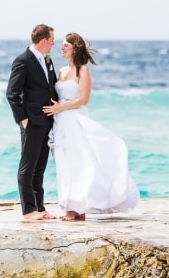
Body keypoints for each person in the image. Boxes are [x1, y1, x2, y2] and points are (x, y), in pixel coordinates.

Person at [43, 32, 139, 221]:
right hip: (60, 123)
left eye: (65, 45)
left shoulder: (83, 70)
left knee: (80, 163)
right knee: (63, 164)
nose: (62, 48)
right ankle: (70, 206)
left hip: (75, 120)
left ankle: (78, 207)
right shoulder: (61, 71)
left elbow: (84, 100)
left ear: (75, 48)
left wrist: (60, 107)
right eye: (62, 45)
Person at [6, 24, 58, 221]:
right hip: (31, 122)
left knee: (40, 168)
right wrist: (22, 119)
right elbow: (12, 93)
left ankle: (40, 209)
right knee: (27, 167)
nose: (54, 43)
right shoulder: (23, 60)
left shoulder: (47, 59)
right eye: (52, 40)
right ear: (44, 40)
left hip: (47, 120)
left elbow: (49, 87)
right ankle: (28, 211)